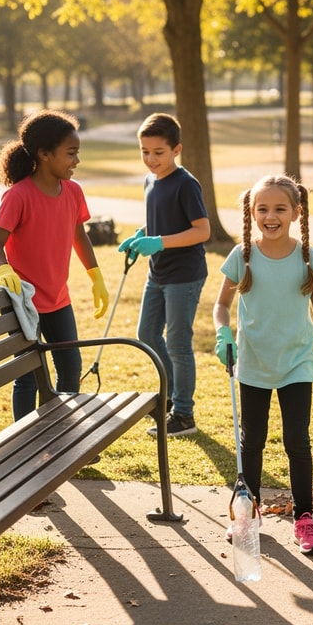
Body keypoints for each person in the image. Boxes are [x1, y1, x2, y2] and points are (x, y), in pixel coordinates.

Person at [213, 174, 313, 556]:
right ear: (252, 212)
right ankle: (249, 512)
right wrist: (223, 333)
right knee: (253, 440)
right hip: (253, 364)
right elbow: (221, 305)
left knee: (297, 440)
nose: (270, 216)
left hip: (297, 363)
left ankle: (305, 518)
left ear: (296, 212)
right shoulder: (242, 256)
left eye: (280, 209)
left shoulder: (308, 259)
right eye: (262, 209)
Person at [0, 109, 110, 421]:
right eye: (70, 153)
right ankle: (24, 438)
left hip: (58, 300)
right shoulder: (18, 196)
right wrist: (4, 269)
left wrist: (95, 275)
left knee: (70, 366)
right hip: (23, 302)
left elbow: (79, 236)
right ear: (44, 154)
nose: (76, 160)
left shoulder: (73, 191)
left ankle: (61, 429)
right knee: (28, 376)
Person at [118, 112, 210, 437]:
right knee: (146, 333)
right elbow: (162, 220)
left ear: (176, 150)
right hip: (157, 272)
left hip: (184, 275)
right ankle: (171, 397)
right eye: (145, 152)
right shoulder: (150, 181)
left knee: (178, 343)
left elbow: (202, 230)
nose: (151, 159)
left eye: (159, 152)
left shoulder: (186, 184)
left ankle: (184, 414)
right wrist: (141, 235)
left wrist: (158, 242)